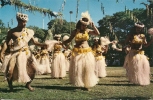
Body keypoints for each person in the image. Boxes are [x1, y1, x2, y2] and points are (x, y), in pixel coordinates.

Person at [0, 12, 48, 91]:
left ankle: (28, 84)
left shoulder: (28, 31)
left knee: (34, 69)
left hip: (27, 53)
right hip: (15, 53)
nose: (25, 23)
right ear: (18, 21)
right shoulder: (12, 31)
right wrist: (1, 52)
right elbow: (6, 42)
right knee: (10, 72)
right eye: (23, 22)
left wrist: (42, 44)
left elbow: (35, 42)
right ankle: (10, 86)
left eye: (26, 22)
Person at [63, 11, 99, 91]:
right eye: (83, 25)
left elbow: (97, 33)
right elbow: (69, 39)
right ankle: (78, 84)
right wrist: (62, 43)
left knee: (87, 69)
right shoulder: (75, 31)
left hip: (87, 52)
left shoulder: (88, 31)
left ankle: (87, 85)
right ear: (80, 24)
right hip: (77, 52)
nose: (84, 26)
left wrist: (93, 26)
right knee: (78, 69)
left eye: (86, 25)